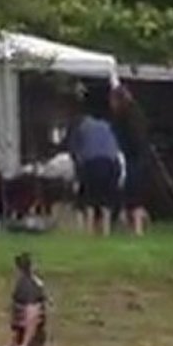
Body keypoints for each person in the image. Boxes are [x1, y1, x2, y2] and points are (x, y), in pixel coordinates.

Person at [65, 103, 124, 236]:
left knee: (89, 199)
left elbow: (74, 152)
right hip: (112, 163)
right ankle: (106, 231)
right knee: (106, 200)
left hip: (92, 163)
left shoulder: (80, 128)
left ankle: (89, 231)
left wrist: (78, 174)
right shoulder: (106, 125)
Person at [110, 85, 153, 236]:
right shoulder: (138, 115)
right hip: (141, 159)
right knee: (136, 196)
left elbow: (127, 140)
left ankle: (136, 228)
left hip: (132, 159)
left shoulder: (124, 119)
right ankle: (137, 227)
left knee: (130, 196)